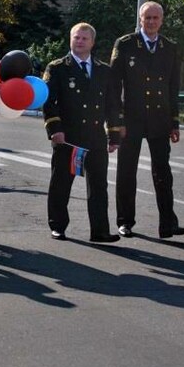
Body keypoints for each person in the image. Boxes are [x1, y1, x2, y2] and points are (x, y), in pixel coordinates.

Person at [109, 1, 184, 240]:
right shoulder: (125, 45)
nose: (152, 22)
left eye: (156, 18)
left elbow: (172, 87)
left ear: (161, 21)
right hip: (131, 119)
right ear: (140, 19)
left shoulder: (170, 47)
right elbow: (114, 86)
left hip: (159, 119)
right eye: (148, 18)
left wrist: (174, 122)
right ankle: (125, 221)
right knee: (126, 172)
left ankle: (168, 224)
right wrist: (116, 122)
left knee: (163, 172)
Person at [43, 23, 121, 243]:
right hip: (68, 136)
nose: (80, 42)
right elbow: (49, 103)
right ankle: (58, 226)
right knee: (61, 182)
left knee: (98, 186)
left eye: (84, 39)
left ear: (92, 42)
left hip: (95, 135)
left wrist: (113, 135)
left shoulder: (104, 69)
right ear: (70, 39)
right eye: (76, 38)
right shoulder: (57, 68)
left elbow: (112, 104)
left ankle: (100, 231)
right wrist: (54, 130)